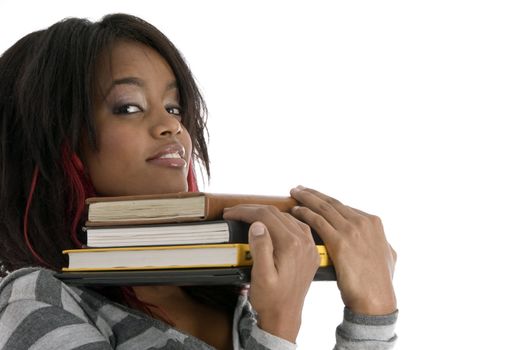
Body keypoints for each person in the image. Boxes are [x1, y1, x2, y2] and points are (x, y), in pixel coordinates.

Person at [0, 13, 398, 350]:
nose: (171, 126)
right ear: (51, 141)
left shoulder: (218, 285)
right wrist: (277, 325)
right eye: (128, 107)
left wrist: (372, 314)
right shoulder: (36, 299)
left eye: (174, 107)